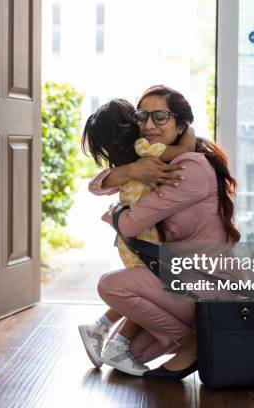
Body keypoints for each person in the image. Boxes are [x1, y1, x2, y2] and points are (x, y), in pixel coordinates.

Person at [92, 85, 242, 379]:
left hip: (208, 286)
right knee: (132, 355)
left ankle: (193, 340)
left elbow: (131, 225)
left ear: (181, 123)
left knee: (110, 285)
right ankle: (193, 336)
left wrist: (116, 212)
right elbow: (97, 185)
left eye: (160, 117)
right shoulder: (160, 161)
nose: (148, 125)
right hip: (178, 279)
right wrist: (132, 171)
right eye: (142, 116)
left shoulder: (188, 168)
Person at [77, 98, 197, 376]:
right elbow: (186, 147)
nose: (146, 122)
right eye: (139, 117)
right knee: (145, 294)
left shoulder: (130, 157)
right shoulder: (143, 151)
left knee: (142, 294)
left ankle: (99, 329)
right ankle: (115, 343)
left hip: (133, 243)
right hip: (145, 241)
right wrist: (188, 128)